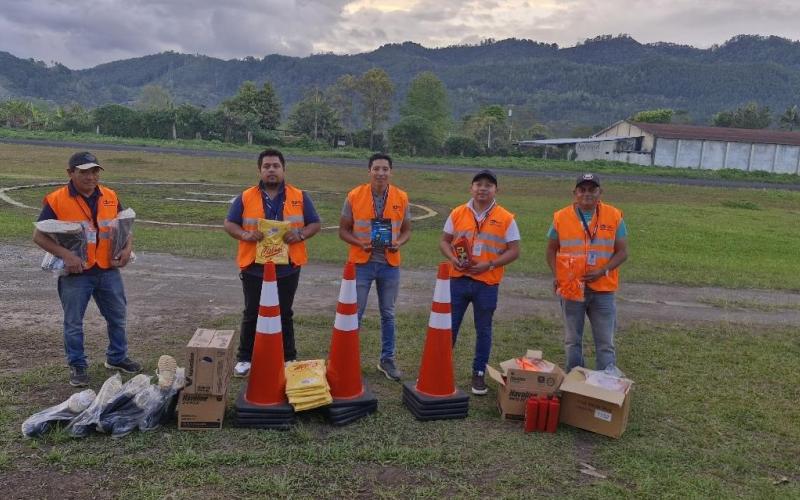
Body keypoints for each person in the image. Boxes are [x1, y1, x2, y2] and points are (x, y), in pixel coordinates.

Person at [32, 152, 141, 387]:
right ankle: (78, 366)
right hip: (76, 273)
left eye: (94, 171)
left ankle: (117, 358)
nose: (90, 177)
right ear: (70, 173)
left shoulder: (110, 196)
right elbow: (38, 236)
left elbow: (124, 227)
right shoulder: (56, 199)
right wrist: (66, 255)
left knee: (118, 317)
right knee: (73, 322)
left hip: (107, 269)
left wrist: (126, 249)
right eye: (83, 172)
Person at [224, 148, 321, 377]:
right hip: (254, 267)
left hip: (287, 267)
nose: (271, 170)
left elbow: (315, 223)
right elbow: (229, 224)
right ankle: (245, 358)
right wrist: (245, 235)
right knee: (252, 312)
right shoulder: (246, 196)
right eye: (266, 166)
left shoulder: (299, 196)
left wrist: (300, 235)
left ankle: (288, 357)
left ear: (283, 169)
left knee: (285, 313)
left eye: (275, 166)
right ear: (260, 170)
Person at [439, 170, 520, 395]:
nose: (483, 189)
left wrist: (490, 264)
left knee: (483, 330)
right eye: (478, 184)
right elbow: (445, 241)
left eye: (488, 185)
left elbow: (514, 251)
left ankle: (479, 373)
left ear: (496, 190)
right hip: (458, 280)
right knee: (449, 327)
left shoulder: (506, 217)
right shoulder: (457, 212)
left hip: (487, 282)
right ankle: (440, 368)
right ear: (471, 188)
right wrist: (453, 258)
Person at [339, 153, 412, 381]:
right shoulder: (354, 195)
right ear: (369, 171)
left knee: (388, 313)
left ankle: (387, 360)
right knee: (355, 313)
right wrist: (360, 243)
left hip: (389, 265)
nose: (381, 173)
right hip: (362, 264)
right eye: (376, 169)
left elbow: (407, 229)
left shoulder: (401, 196)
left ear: (391, 172)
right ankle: (348, 359)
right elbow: (343, 230)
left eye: (385, 169)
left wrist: (398, 242)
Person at [546, 173, 629, 373]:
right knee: (572, 340)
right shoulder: (560, 217)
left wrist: (603, 270)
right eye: (582, 189)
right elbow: (551, 250)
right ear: (574, 193)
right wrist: (559, 275)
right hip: (572, 289)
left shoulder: (614, 216)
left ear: (601, 192)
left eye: (592, 189)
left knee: (605, 342)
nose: (587, 194)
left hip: (603, 290)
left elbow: (623, 252)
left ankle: (605, 385)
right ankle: (575, 382)